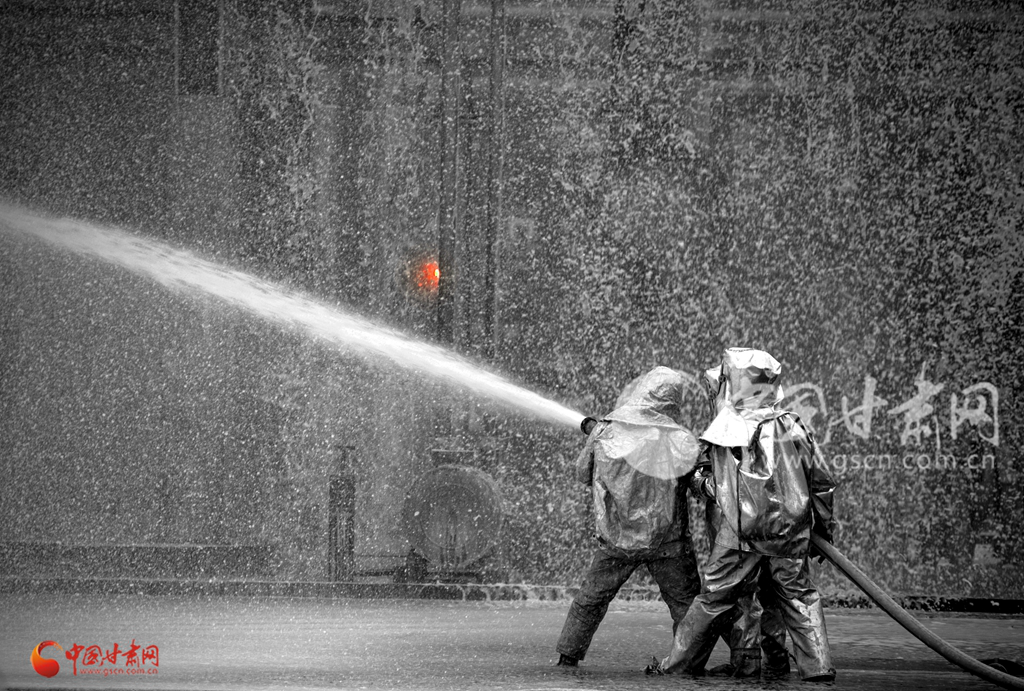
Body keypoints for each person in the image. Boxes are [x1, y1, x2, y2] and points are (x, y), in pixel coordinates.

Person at [649, 347, 838, 682]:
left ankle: (678, 666)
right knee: (799, 599)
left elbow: (720, 487)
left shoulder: (728, 430)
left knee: (713, 600)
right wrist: (822, 530)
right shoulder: (794, 426)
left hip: (740, 536)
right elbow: (821, 482)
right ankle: (818, 668)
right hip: (789, 533)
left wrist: (697, 482)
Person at [555, 366, 703, 667]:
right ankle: (686, 663)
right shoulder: (679, 439)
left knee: (591, 599)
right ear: (672, 401)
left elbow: (583, 473)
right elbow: (698, 483)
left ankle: (567, 657)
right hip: (668, 541)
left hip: (617, 537)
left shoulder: (604, 430)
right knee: (685, 605)